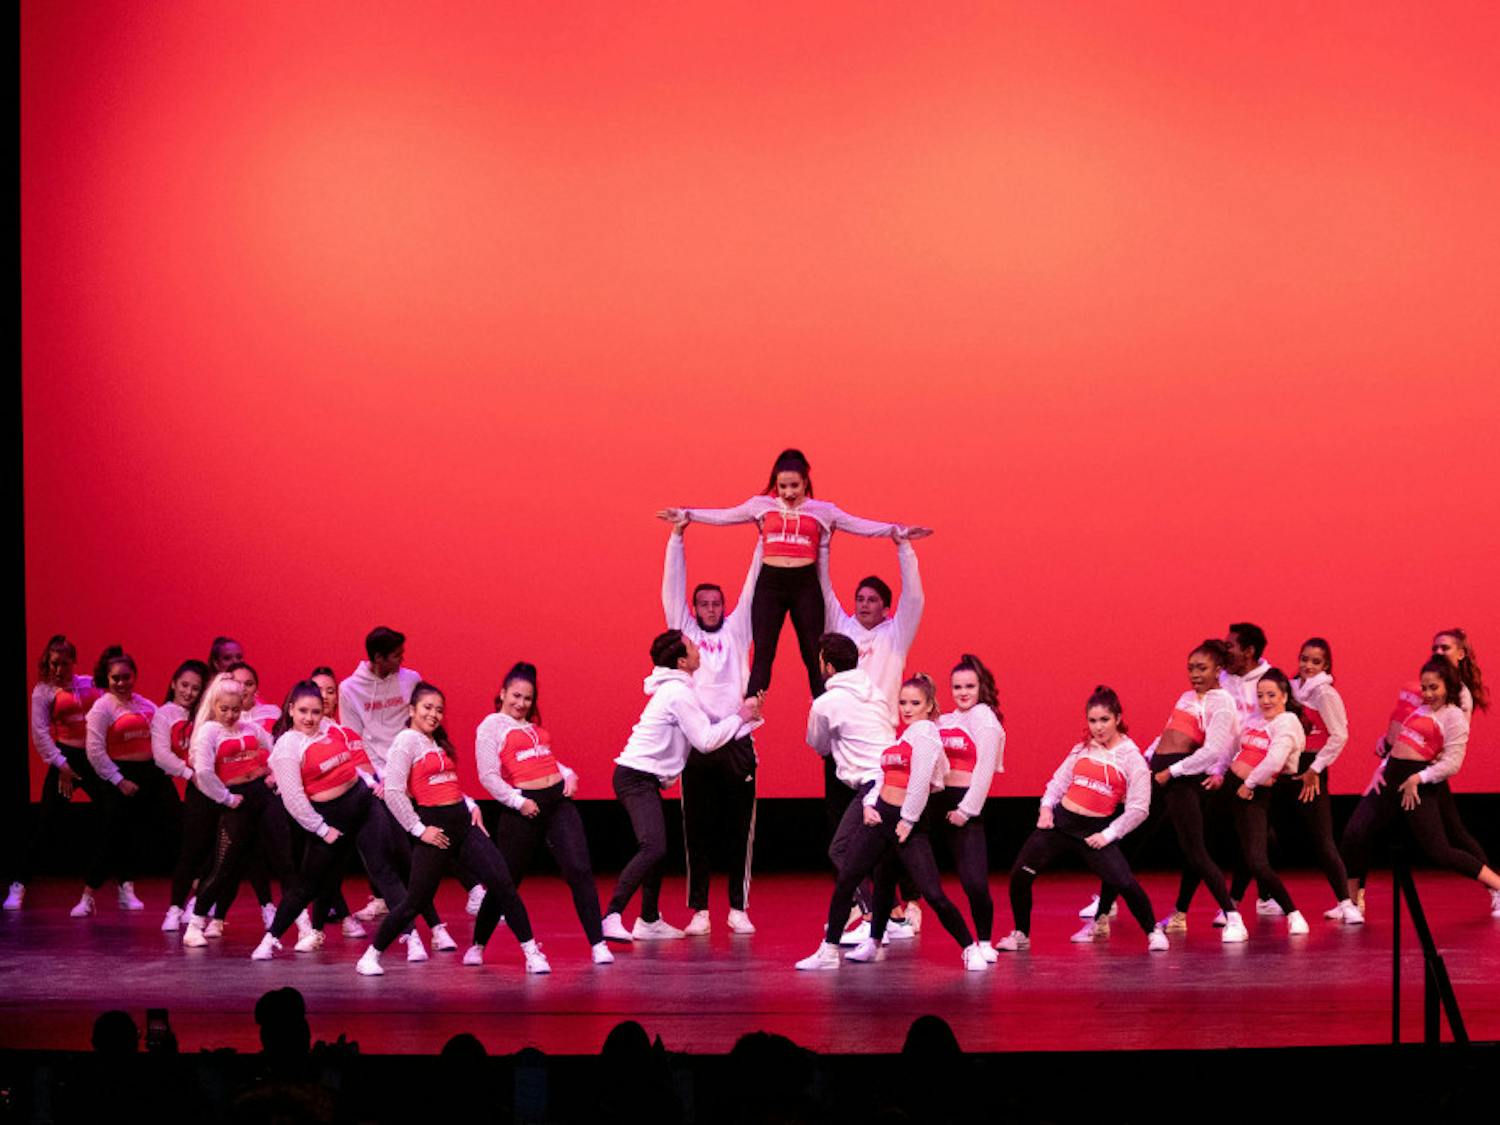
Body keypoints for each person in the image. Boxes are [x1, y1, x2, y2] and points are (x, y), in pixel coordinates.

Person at [657, 448, 930, 698]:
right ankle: (750, 706)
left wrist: (896, 532)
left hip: (805, 585)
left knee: (814, 654)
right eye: (782, 486)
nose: (788, 493)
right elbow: (725, 516)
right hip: (770, 584)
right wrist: (687, 515)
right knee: (764, 652)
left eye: (794, 486)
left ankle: (825, 706)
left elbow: (859, 525)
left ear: (805, 483)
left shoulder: (822, 511)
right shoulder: (761, 506)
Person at [796, 674, 987, 970]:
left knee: (933, 893)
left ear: (929, 706)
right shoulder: (905, 735)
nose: (907, 709)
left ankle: (970, 947)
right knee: (855, 879)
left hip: (905, 823)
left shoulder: (925, 734)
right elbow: (883, 774)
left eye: (915, 703)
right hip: (881, 817)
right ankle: (833, 950)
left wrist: (908, 821)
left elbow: (921, 781)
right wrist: (870, 805)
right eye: (902, 703)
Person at [357, 681, 548, 976]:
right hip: (436, 832)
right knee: (414, 902)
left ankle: (532, 952)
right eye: (427, 708)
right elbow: (393, 792)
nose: (434, 714)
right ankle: (371, 956)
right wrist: (419, 830)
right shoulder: (406, 741)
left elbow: (449, 786)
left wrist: (470, 805)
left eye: (439, 710)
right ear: (412, 710)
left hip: (463, 825)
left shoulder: (436, 743)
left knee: (503, 884)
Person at [252, 682, 446, 960]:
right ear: (291, 710)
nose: (309, 718)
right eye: (303, 711)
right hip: (329, 818)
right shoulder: (287, 745)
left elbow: (352, 767)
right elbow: (294, 799)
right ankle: (270, 941)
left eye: (316, 712)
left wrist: (372, 783)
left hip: (363, 804)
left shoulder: (332, 731)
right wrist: (321, 829)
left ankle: (411, 937)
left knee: (385, 871)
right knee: (308, 885)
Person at [601, 631, 762, 942]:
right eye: (691, 645)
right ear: (681, 661)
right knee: (654, 847)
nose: (698, 647)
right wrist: (741, 716)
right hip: (635, 777)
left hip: (644, 778)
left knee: (657, 847)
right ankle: (611, 915)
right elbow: (705, 741)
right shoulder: (678, 693)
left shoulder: (678, 689)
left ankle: (648, 919)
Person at [994, 686, 1167, 953]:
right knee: (1020, 875)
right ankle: (1021, 934)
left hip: (1094, 831)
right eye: (1093, 720)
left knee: (1124, 882)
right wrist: (1046, 808)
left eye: (1105, 720)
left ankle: (1153, 932)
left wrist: (1108, 834)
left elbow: (1139, 808)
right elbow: (1058, 782)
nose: (1098, 727)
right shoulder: (1083, 748)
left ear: (1118, 718)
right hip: (1060, 825)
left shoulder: (1131, 758)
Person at [472, 662, 612, 964]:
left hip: (557, 803)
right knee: (506, 879)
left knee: (579, 870)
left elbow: (545, 759)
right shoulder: (491, 726)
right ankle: (478, 944)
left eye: (527, 698)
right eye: (516, 696)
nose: (521, 703)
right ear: (502, 693)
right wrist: (517, 802)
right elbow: (487, 775)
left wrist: (569, 773)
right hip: (523, 806)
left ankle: (598, 944)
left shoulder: (533, 728)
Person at [661, 520, 762, 935]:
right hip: (698, 746)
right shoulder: (684, 633)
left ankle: (737, 908)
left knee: (740, 830)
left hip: (737, 743)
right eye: (703, 603)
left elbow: (753, 587)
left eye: (716, 603)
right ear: (694, 608)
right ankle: (700, 909)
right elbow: (671, 586)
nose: (710, 609)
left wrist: (763, 540)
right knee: (696, 829)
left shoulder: (738, 632)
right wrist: (677, 537)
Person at [1342, 658, 1500, 912]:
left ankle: (1498, 885)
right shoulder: (1420, 710)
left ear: (1448, 686)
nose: (1427, 694)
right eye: (1424, 688)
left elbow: (1452, 763)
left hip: (1416, 782)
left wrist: (1418, 778)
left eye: (1433, 688)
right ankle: (1349, 903)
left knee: (1438, 850)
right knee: (1355, 833)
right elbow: (1401, 745)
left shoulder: (1454, 717)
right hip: (1389, 775)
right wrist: (1381, 765)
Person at [181, 674, 303, 948]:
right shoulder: (208, 732)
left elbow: (273, 750)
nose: (230, 714)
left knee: (284, 860)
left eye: (235, 709)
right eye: (224, 709)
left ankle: (304, 927)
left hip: (262, 795)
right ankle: (195, 924)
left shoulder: (249, 727)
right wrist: (225, 798)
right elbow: (203, 772)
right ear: (214, 705)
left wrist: (271, 773)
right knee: (224, 867)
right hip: (236, 802)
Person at [1143, 641, 1248, 941]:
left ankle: (1234, 918)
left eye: (1201, 668)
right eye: (1190, 668)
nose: (1194, 674)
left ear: (1218, 670)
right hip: (1159, 774)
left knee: (1196, 852)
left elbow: (1215, 749)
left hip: (1182, 778)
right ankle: (1103, 915)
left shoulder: (1221, 702)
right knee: (1126, 840)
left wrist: (1171, 772)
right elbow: (1167, 733)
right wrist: (1146, 760)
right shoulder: (1187, 696)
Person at [804, 632, 896, 945]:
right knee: (881, 852)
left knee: (841, 849)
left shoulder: (826, 703)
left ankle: (871, 915)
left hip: (873, 782)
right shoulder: (876, 691)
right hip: (895, 776)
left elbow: (817, 744)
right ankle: (892, 915)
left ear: (828, 667)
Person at [7, 636, 104, 911]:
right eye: (54, 664)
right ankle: (19, 885)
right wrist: (62, 766)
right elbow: (40, 735)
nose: (59, 669)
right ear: (47, 663)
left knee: (114, 816)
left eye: (64, 663)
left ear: (73, 661)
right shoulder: (43, 692)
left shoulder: (87, 684)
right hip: (65, 760)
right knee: (46, 823)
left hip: (93, 759)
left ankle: (125, 885)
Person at [1219, 668, 1314, 937]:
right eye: (1260, 695)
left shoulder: (1287, 722)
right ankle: (1231, 907)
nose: (1265, 701)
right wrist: (1218, 772)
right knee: (1242, 852)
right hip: (1233, 787)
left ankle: (1294, 915)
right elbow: (1234, 747)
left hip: (1255, 792)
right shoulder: (1255, 719)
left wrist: (1249, 785)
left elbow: (1275, 760)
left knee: (1257, 859)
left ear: (1285, 696)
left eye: (1271, 695)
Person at [76, 647, 161, 917]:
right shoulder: (102, 708)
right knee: (111, 837)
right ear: (107, 679)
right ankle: (87, 896)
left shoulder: (146, 705)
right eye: (116, 678)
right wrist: (119, 780)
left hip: (148, 773)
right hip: (117, 776)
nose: (122, 683)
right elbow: (94, 751)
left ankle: (127, 890)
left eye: (127, 677)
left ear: (134, 675)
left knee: (137, 836)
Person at [932, 654, 1005, 959]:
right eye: (957, 686)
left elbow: (985, 770)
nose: (963, 692)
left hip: (964, 807)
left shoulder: (984, 718)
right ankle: (879, 934)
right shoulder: (948, 719)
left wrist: (966, 810)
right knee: (893, 867)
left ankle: (985, 942)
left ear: (980, 687)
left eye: (969, 686)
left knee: (974, 882)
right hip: (934, 803)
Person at [1288, 639, 1363, 923]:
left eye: (1315, 662)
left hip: (1310, 767)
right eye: (1304, 659)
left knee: (1322, 838)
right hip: (1287, 764)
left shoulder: (1325, 693)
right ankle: (1259, 899)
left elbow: (1339, 735)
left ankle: (1347, 903)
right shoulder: (1293, 688)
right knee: (1265, 833)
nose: (1307, 665)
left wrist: (1315, 769)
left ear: (1326, 666)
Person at [153, 659, 211, 931]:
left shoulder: (206, 715)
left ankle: (198, 903)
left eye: (195, 688)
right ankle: (174, 908)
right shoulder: (164, 714)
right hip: (179, 788)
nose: (188, 692)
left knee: (212, 848)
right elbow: (162, 755)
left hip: (207, 789)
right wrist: (191, 774)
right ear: (173, 684)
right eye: (184, 685)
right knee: (188, 852)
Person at [1221, 622, 1272, 723]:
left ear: (1248, 652)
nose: (1224, 652)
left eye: (1229, 646)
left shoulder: (1272, 681)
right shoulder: (1219, 678)